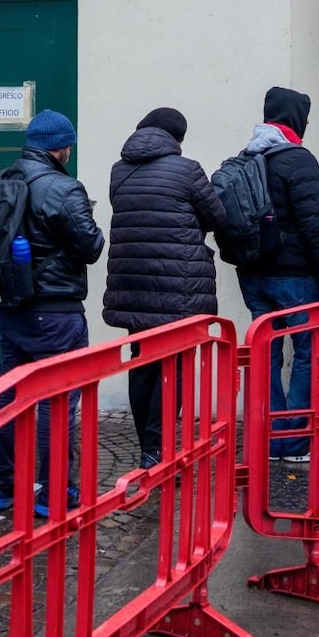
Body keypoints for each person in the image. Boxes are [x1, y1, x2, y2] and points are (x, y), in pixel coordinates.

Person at [0, 110, 105, 512]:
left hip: (12, 307)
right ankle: (55, 494)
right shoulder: (64, 188)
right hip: (56, 311)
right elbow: (90, 247)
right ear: (62, 147)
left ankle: (1, 486)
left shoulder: (3, 179)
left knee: (8, 395)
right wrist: (90, 217)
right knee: (56, 401)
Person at [103, 107, 226, 467]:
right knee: (176, 366)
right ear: (177, 138)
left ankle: (148, 445)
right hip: (179, 286)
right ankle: (157, 450)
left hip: (132, 284)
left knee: (142, 364)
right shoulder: (187, 170)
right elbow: (217, 217)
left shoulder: (119, 171)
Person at [236, 87, 319, 463]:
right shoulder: (298, 160)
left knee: (266, 354)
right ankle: (295, 441)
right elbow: (316, 225)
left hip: (253, 274)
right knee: (306, 353)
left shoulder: (247, 156)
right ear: (297, 120)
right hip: (294, 276)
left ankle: (269, 440)